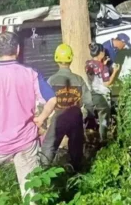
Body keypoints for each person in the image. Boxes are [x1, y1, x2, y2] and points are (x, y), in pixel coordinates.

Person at [0, 32, 56, 205]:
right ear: (18, 49)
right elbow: (52, 99)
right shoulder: (30, 73)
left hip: (0, 143)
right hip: (27, 140)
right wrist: (41, 118)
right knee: (29, 186)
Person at [40, 43, 93, 172]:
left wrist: (44, 121)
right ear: (71, 59)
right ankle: (76, 172)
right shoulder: (79, 80)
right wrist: (88, 118)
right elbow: (89, 102)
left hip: (59, 117)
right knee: (76, 147)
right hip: (76, 116)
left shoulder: (51, 81)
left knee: (49, 145)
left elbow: (44, 102)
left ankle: (43, 171)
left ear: (56, 59)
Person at [85, 42, 120, 142]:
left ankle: (94, 137)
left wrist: (102, 64)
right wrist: (115, 72)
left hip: (93, 94)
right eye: (103, 51)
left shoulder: (88, 64)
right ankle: (103, 140)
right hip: (102, 97)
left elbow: (95, 72)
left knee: (98, 117)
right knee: (104, 119)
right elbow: (107, 84)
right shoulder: (103, 68)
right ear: (101, 53)